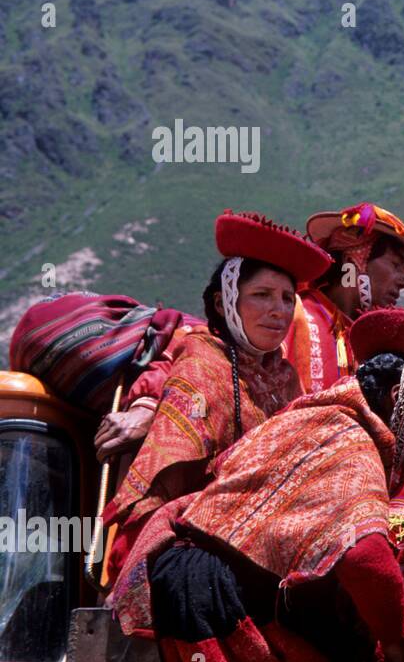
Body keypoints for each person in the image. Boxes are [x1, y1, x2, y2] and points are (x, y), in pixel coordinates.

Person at [107, 307, 404, 662]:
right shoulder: (354, 446)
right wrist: (398, 648)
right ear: (396, 397)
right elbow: (366, 559)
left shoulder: (299, 420)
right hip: (215, 615)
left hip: (174, 593)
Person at [100, 211, 331, 585]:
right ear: (224, 303)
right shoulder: (202, 361)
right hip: (194, 545)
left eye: (288, 298)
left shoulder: (287, 379)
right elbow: (173, 472)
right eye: (262, 295)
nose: (280, 310)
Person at [289, 202, 404, 393]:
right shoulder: (295, 314)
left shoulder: (373, 340)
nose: (403, 282)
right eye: (395, 265)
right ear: (352, 263)